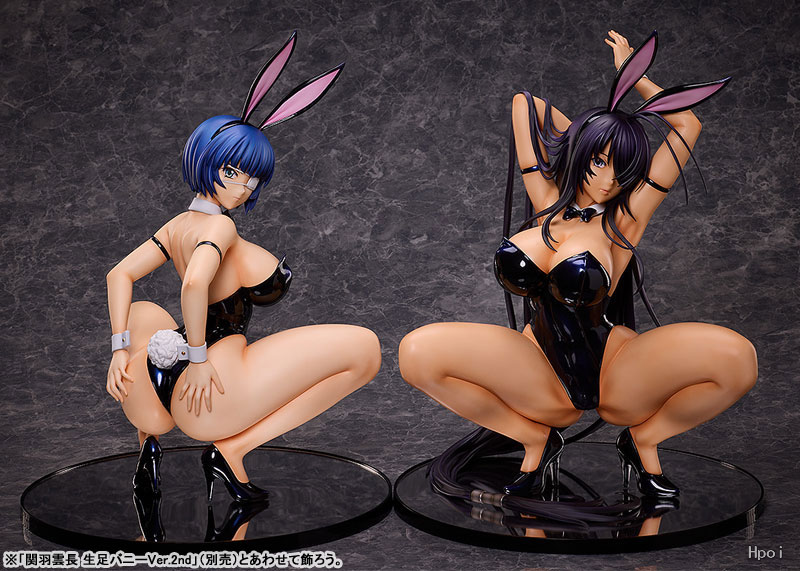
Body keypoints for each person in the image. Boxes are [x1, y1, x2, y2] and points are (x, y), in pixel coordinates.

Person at [399, 30, 757, 502]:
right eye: (600, 162)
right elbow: (526, 104)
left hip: (614, 370)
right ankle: (535, 440)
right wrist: (589, 133)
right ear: (583, 154)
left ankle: (644, 441)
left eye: (622, 170)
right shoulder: (545, 201)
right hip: (539, 368)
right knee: (417, 354)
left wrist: (634, 76)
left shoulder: (627, 219)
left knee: (737, 360)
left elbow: (687, 125)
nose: (609, 181)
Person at [105, 32, 381, 504]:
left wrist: (118, 350)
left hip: (157, 385)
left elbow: (119, 274)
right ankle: (231, 450)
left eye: (253, 179)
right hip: (214, 384)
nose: (243, 187)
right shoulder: (221, 228)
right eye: (233, 172)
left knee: (144, 313)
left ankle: (148, 445)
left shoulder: (177, 226)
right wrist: (197, 359)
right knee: (365, 351)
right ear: (205, 160)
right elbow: (195, 285)